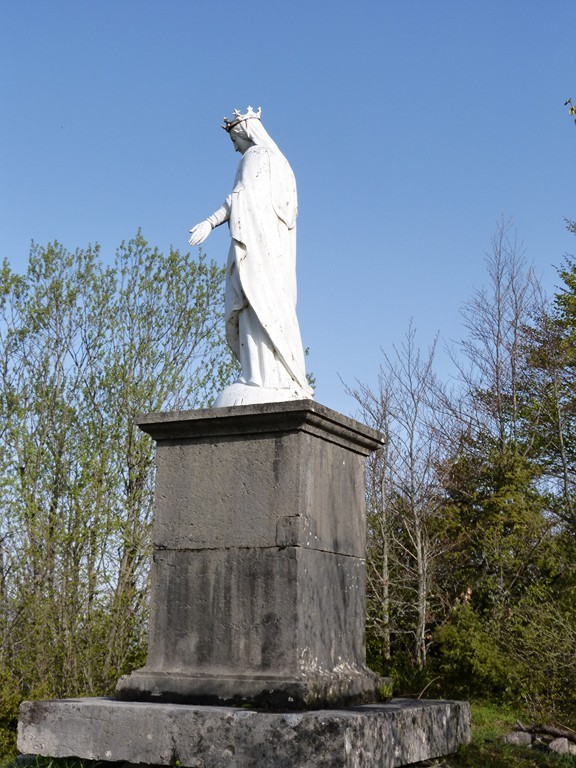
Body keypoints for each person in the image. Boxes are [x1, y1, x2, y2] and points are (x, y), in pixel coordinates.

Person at [188, 107, 313, 406]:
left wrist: (209, 221)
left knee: (254, 305)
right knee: (273, 308)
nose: (234, 146)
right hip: (276, 254)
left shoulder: (255, 157)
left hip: (257, 249)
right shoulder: (283, 165)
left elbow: (241, 197)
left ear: (244, 132)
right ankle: (281, 378)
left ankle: (260, 379)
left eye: (234, 138)